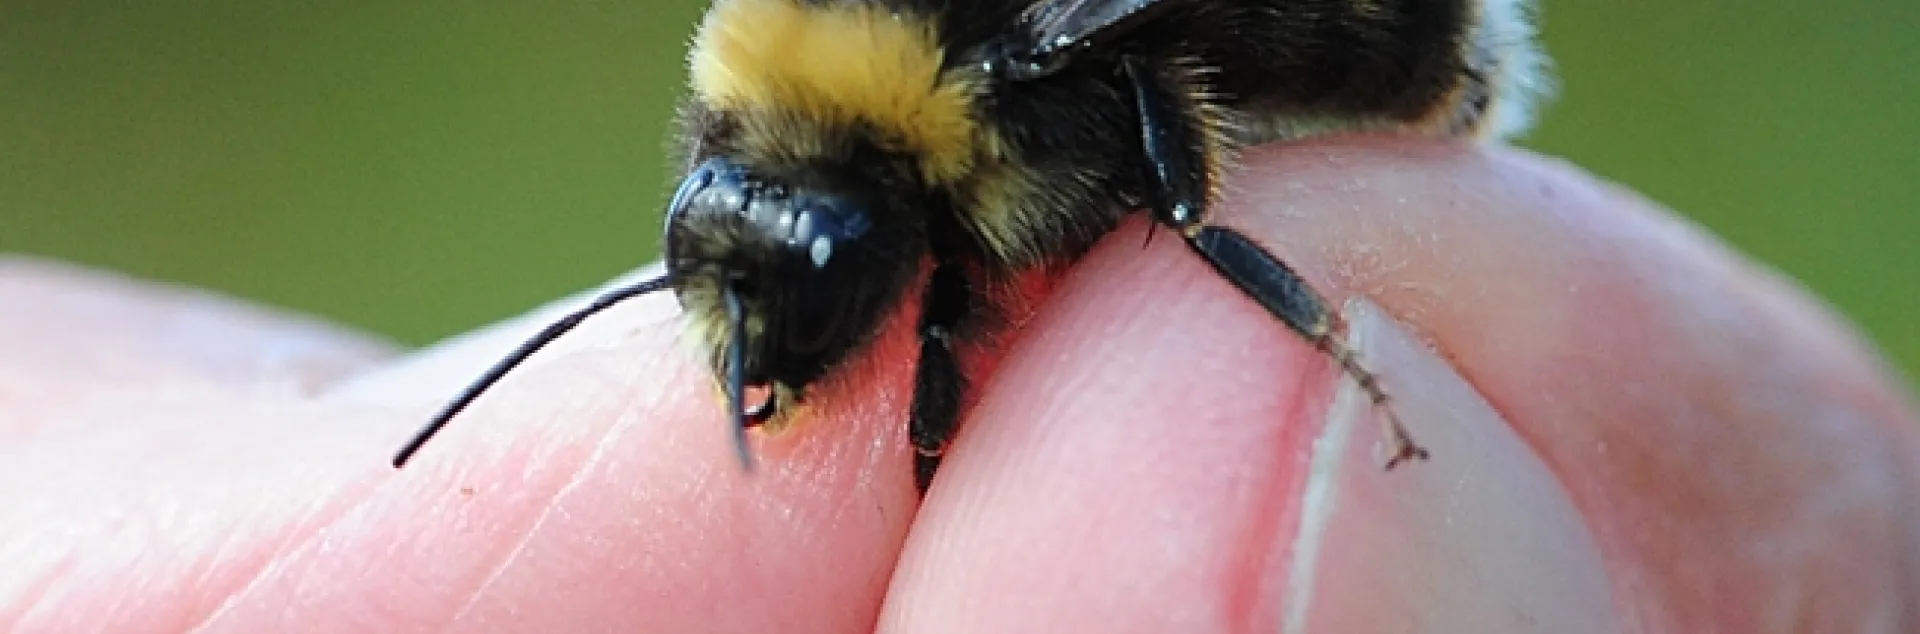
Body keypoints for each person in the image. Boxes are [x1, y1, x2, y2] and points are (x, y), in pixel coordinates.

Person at [3, 137, 1915, 632]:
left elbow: (1133, 164)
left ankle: (1314, 337)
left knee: (1182, 312)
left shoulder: (994, 102)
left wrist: (1315, 332)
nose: (763, 350)